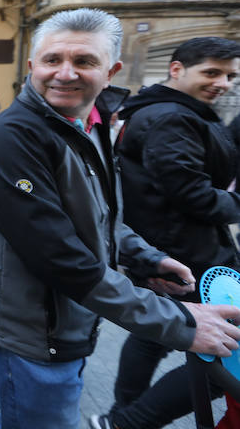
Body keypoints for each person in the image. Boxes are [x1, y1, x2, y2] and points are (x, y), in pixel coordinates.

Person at [0, 7, 240, 429]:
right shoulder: (12, 136)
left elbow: (100, 215)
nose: (66, 73)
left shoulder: (89, 123)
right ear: (33, 65)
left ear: (110, 71)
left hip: (66, 321)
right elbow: (58, 256)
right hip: (30, 336)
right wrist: (180, 323)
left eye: (84, 61)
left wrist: (145, 259)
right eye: (54, 60)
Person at [93, 36, 240, 429]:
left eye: (229, 76)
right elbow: (192, 194)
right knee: (223, 359)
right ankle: (128, 421)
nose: (223, 83)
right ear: (177, 69)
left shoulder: (179, 111)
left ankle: (119, 417)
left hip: (172, 249)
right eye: (211, 72)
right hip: (186, 256)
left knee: (153, 335)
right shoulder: (172, 116)